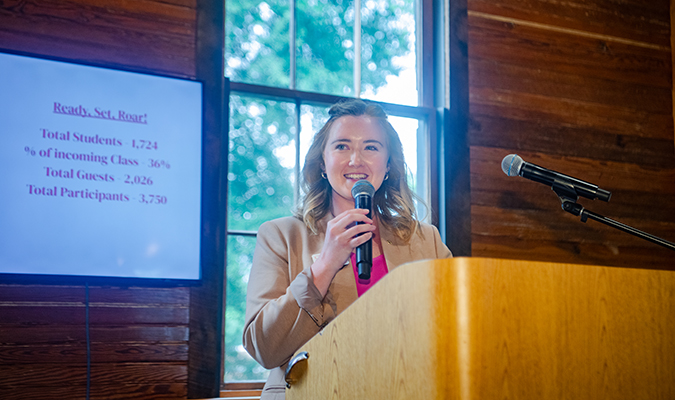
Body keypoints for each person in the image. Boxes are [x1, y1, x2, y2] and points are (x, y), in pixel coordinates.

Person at [243, 99, 452, 399]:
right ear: (322, 164)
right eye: (342, 146)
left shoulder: (425, 240)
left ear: (389, 164)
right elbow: (263, 347)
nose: (356, 160)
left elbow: (454, 330)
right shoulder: (280, 236)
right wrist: (324, 265)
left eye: (371, 147)